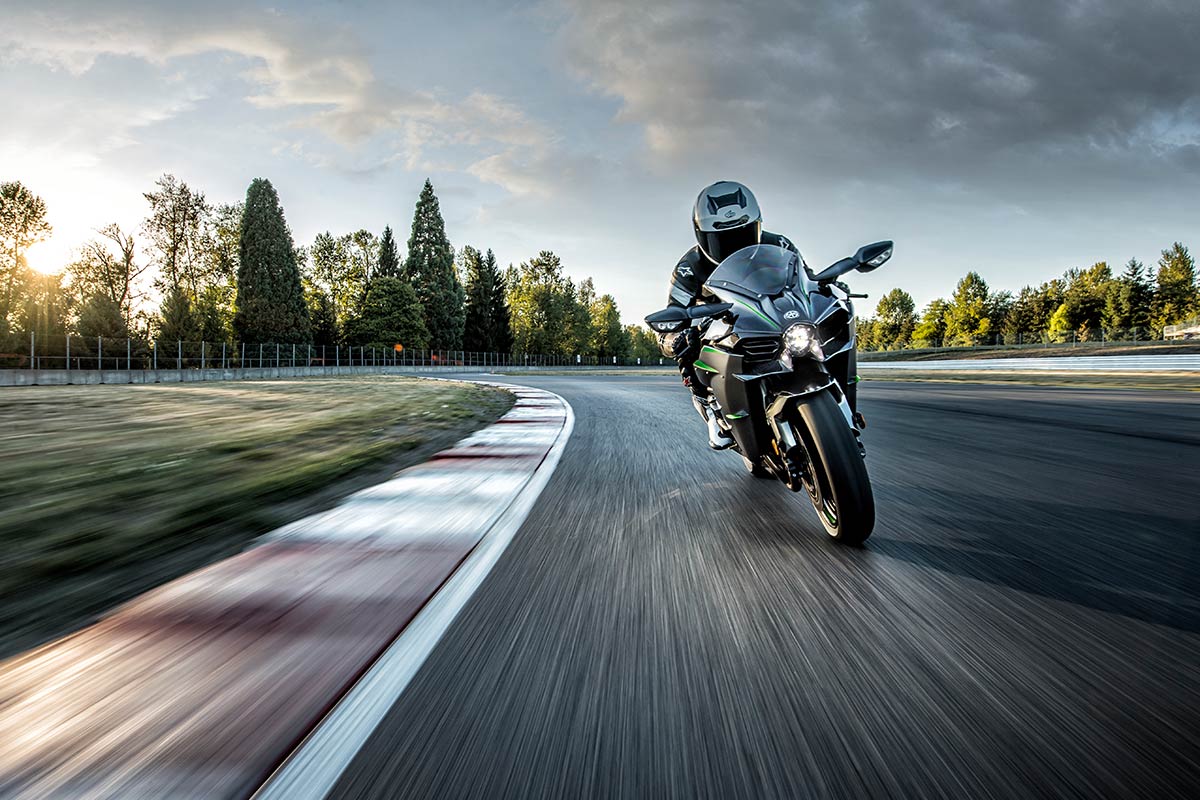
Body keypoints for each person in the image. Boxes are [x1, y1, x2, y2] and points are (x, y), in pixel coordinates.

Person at [658, 181, 801, 449]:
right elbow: (670, 319)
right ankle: (712, 408)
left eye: (743, 236)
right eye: (723, 241)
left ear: (757, 226)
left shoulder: (780, 245)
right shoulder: (688, 268)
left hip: (773, 318)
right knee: (687, 342)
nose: (736, 248)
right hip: (720, 329)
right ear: (702, 236)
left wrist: (825, 287)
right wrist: (673, 338)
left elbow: (805, 280)